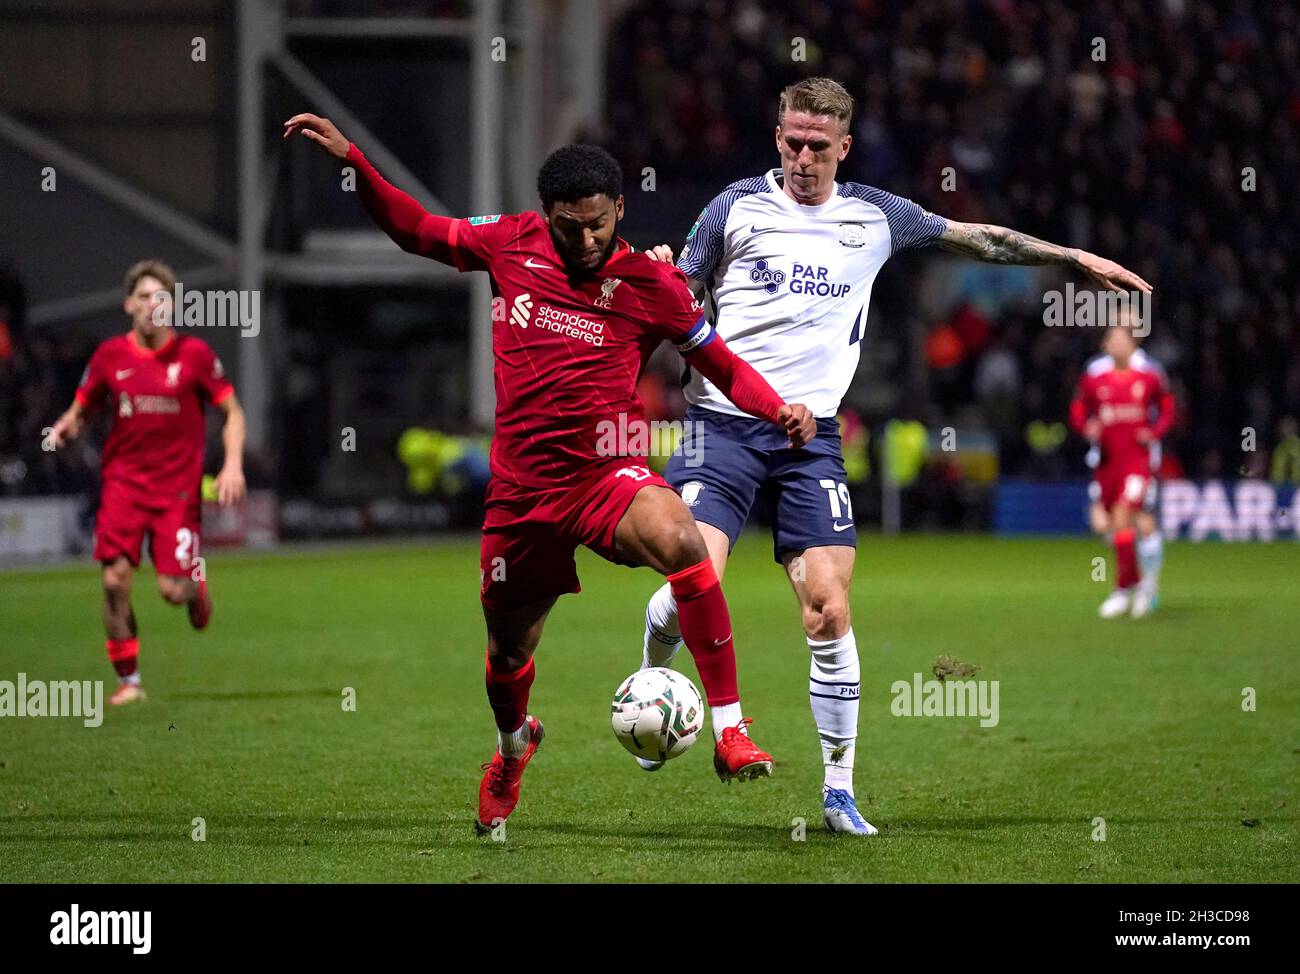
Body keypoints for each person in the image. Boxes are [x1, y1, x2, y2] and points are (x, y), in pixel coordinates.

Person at [635, 77, 1152, 834]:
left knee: (828, 609)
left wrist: (1067, 255)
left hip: (810, 439)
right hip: (722, 425)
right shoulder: (734, 206)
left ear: (844, 146)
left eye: (818, 145)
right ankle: (652, 678)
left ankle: (838, 792)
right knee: (697, 576)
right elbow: (676, 297)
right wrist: (657, 272)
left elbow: (980, 237)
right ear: (777, 136)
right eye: (790, 141)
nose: (802, 157)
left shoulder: (878, 216)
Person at [284, 112, 818, 834]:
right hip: (521, 495)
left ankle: (729, 730)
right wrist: (355, 161)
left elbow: (720, 364)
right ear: (548, 217)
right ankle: (511, 750)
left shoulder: (652, 284)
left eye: (599, 224)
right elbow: (417, 229)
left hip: (606, 476)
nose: (587, 240)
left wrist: (776, 407)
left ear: (620, 210)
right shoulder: (509, 243)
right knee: (509, 651)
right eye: (571, 227)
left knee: (687, 545)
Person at [47, 260, 247, 705]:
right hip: (122, 484)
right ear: (128, 305)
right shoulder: (109, 357)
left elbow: (232, 411)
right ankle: (130, 681)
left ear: (172, 305)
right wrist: (63, 428)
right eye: (144, 297)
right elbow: (80, 410)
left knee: (172, 591)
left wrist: (232, 465)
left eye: (161, 297)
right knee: (115, 581)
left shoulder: (194, 356)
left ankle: (195, 582)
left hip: (176, 490)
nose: (152, 305)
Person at [1070, 319, 1175, 618]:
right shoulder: (1095, 376)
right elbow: (1078, 409)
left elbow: (1169, 407)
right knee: (1107, 524)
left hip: (1140, 462)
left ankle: (1135, 587)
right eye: (1114, 333)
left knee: (1133, 517)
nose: (1119, 339)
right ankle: (1137, 583)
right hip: (1106, 462)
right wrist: (1086, 426)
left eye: (1125, 333)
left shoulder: (1150, 373)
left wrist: (1153, 434)